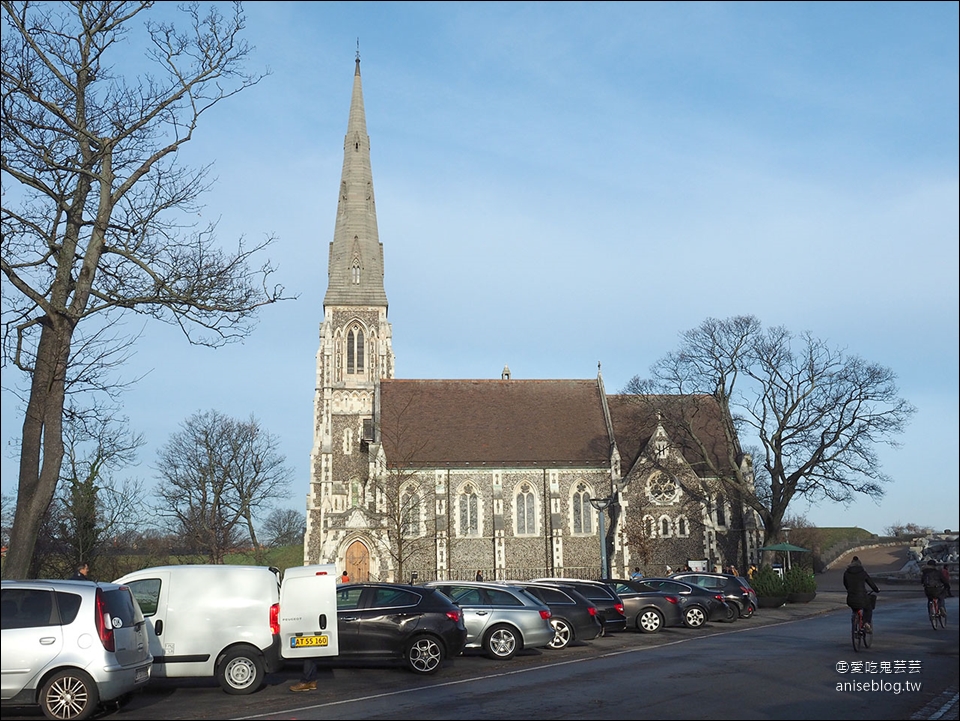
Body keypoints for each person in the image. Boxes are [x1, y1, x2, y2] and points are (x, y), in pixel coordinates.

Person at [843, 556, 879, 631]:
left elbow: (845, 584)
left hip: (851, 598)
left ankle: (855, 621)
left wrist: (850, 590)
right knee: (868, 607)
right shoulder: (863, 572)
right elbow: (870, 583)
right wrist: (876, 589)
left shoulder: (846, 573)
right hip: (862, 597)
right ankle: (866, 623)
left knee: (855, 608)